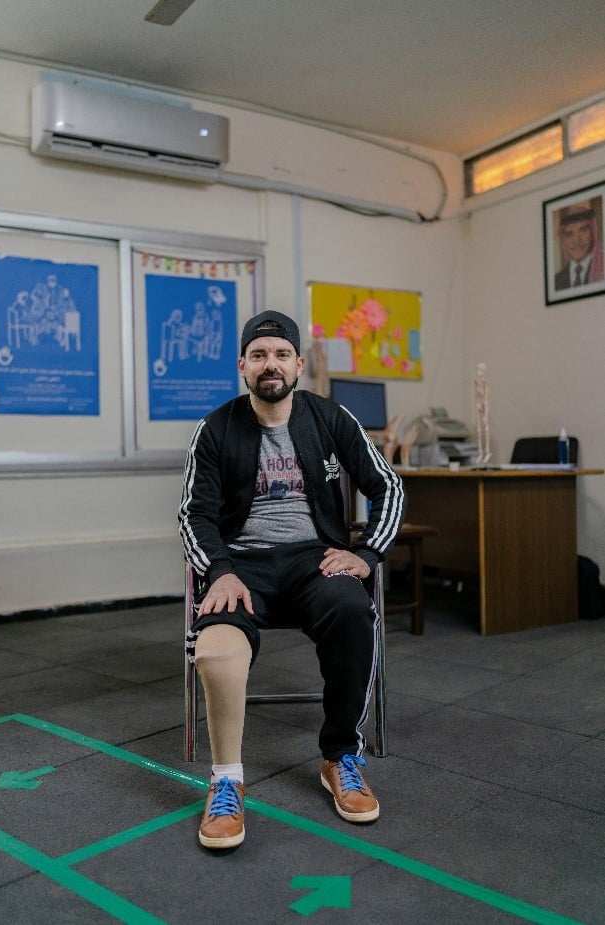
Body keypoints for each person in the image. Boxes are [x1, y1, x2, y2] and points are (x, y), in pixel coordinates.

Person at [178, 310, 405, 850]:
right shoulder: (215, 428)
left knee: (353, 609)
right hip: (241, 565)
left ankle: (339, 757)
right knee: (215, 648)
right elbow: (194, 515)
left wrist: (367, 553)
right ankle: (227, 780)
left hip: (313, 561)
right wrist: (219, 571)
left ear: (298, 364)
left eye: (281, 354)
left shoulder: (331, 419)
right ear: (242, 366)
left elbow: (388, 486)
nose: (270, 364)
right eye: (258, 355)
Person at [554, 199, 604, 291]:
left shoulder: (602, 271)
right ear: (563, 240)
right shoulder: (555, 281)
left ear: (593, 233)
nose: (576, 241)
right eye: (569, 234)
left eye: (583, 230)